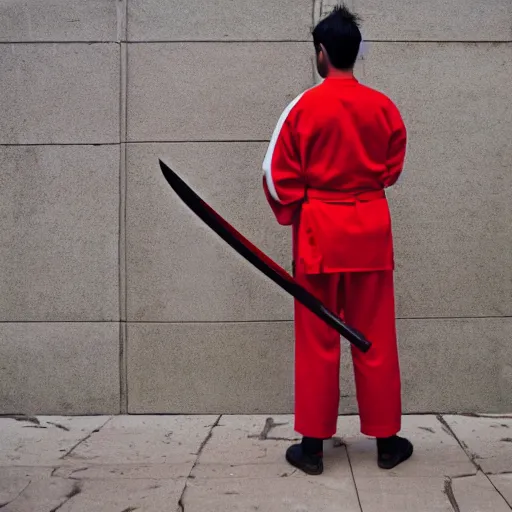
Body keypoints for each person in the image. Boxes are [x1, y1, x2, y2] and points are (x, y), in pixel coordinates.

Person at [262, 4, 413, 475]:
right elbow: (390, 171)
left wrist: (303, 204)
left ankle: (311, 447)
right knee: (377, 338)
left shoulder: (302, 107)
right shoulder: (384, 106)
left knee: (317, 339)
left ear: (321, 53)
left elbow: (276, 178)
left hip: (319, 236)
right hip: (370, 232)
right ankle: (387, 442)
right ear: (354, 53)